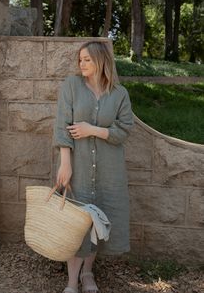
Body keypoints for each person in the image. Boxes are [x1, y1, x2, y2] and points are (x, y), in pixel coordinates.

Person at [54, 41, 134, 293]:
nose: (82, 64)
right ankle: (71, 282)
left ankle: (88, 273)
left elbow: (124, 130)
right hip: (77, 166)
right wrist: (65, 163)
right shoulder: (72, 86)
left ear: (101, 61)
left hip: (109, 171)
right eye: (80, 60)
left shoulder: (119, 93)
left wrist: (92, 130)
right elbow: (62, 125)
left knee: (97, 222)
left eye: (87, 59)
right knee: (75, 224)